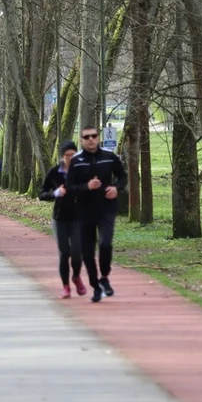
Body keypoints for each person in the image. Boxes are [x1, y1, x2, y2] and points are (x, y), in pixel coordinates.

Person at [68, 125, 127, 303]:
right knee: (87, 252)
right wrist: (87, 186)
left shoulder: (109, 157)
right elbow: (70, 188)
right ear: (81, 140)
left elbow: (122, 177)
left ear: (98, 138)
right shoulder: (77, 161)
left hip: (106, 208)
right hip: (84, 211)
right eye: (87, 137)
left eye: (94, 136)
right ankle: (95, 285)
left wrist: (116, 188)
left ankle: (105, 276)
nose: (91, 139)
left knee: (105, 243)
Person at [38, 141, 86, 299]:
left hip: (78, 218)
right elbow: (42, 194)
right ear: (62, 156)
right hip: (60, 218)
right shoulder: (54, 173)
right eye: (67, 156)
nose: (70, 158)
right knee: (65, 253)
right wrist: (55, 194)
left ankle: (76, 277)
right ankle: (66, 286)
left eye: (73, 155)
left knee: (77, 253)